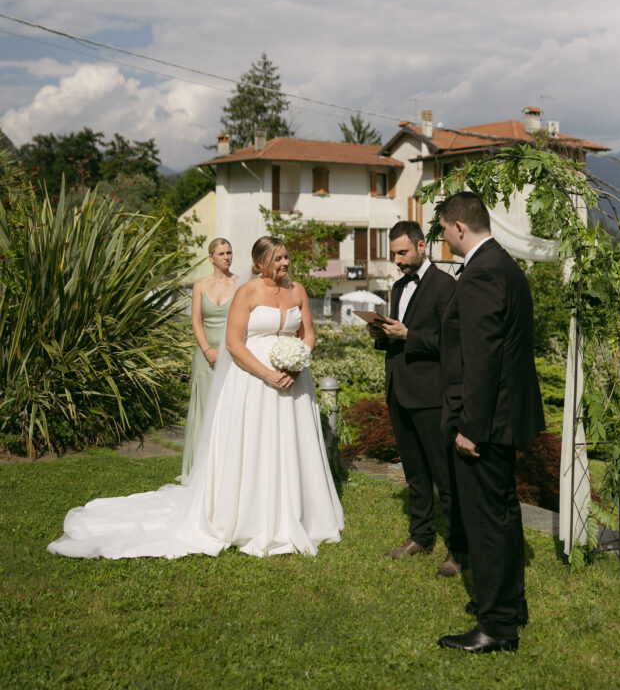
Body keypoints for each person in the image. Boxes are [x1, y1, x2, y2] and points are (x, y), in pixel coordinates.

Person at [47, 236, 343, 559]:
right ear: (259, 264)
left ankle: (300, 512)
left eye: (286, 258)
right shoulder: (246, 293)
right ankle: (252, 516)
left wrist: (299, 361)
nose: (284, 264)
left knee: (292, 444)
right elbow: (233, 344)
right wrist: (269, 374)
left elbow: (308, 333)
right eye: (277, 260)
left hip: (296, 384)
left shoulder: (297, 290)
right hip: (255, 383)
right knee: (257, 444)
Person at [436, 192, 545, 654]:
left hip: (486, 420)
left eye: (442, 228)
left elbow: (482, 360)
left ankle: (497, 625)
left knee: (486, 520)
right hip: (505, 414)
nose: (441, 237)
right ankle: (509, 604)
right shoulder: (504, 265)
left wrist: (470, 427)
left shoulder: (481, 273)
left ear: (460, 227)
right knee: (502, 514)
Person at [369, 220, 467, 578]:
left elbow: (450, 342)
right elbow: (395, 336)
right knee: (415, 473)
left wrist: (408, 333)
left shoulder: (445, 285)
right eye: (393, 253)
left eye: (403, 252)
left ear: (422, 246)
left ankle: (458, 550)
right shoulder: (397, 286)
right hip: (399, 390)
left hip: (430, 395)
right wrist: (380, 332)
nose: (397, 260)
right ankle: (421, 537)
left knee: (446, 476)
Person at [181, 238, 239, 482]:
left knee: (229, 410)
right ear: (211, 257)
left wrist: (226, 352)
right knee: (204, 411)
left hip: (232, 355)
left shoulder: (240, 284)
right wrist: (207, 350)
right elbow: (196, 321)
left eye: (229, 252)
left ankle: (226, 472)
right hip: (205, 356)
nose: (227, 257)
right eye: (221, 253)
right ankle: (199, 472)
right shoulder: (199, 285)